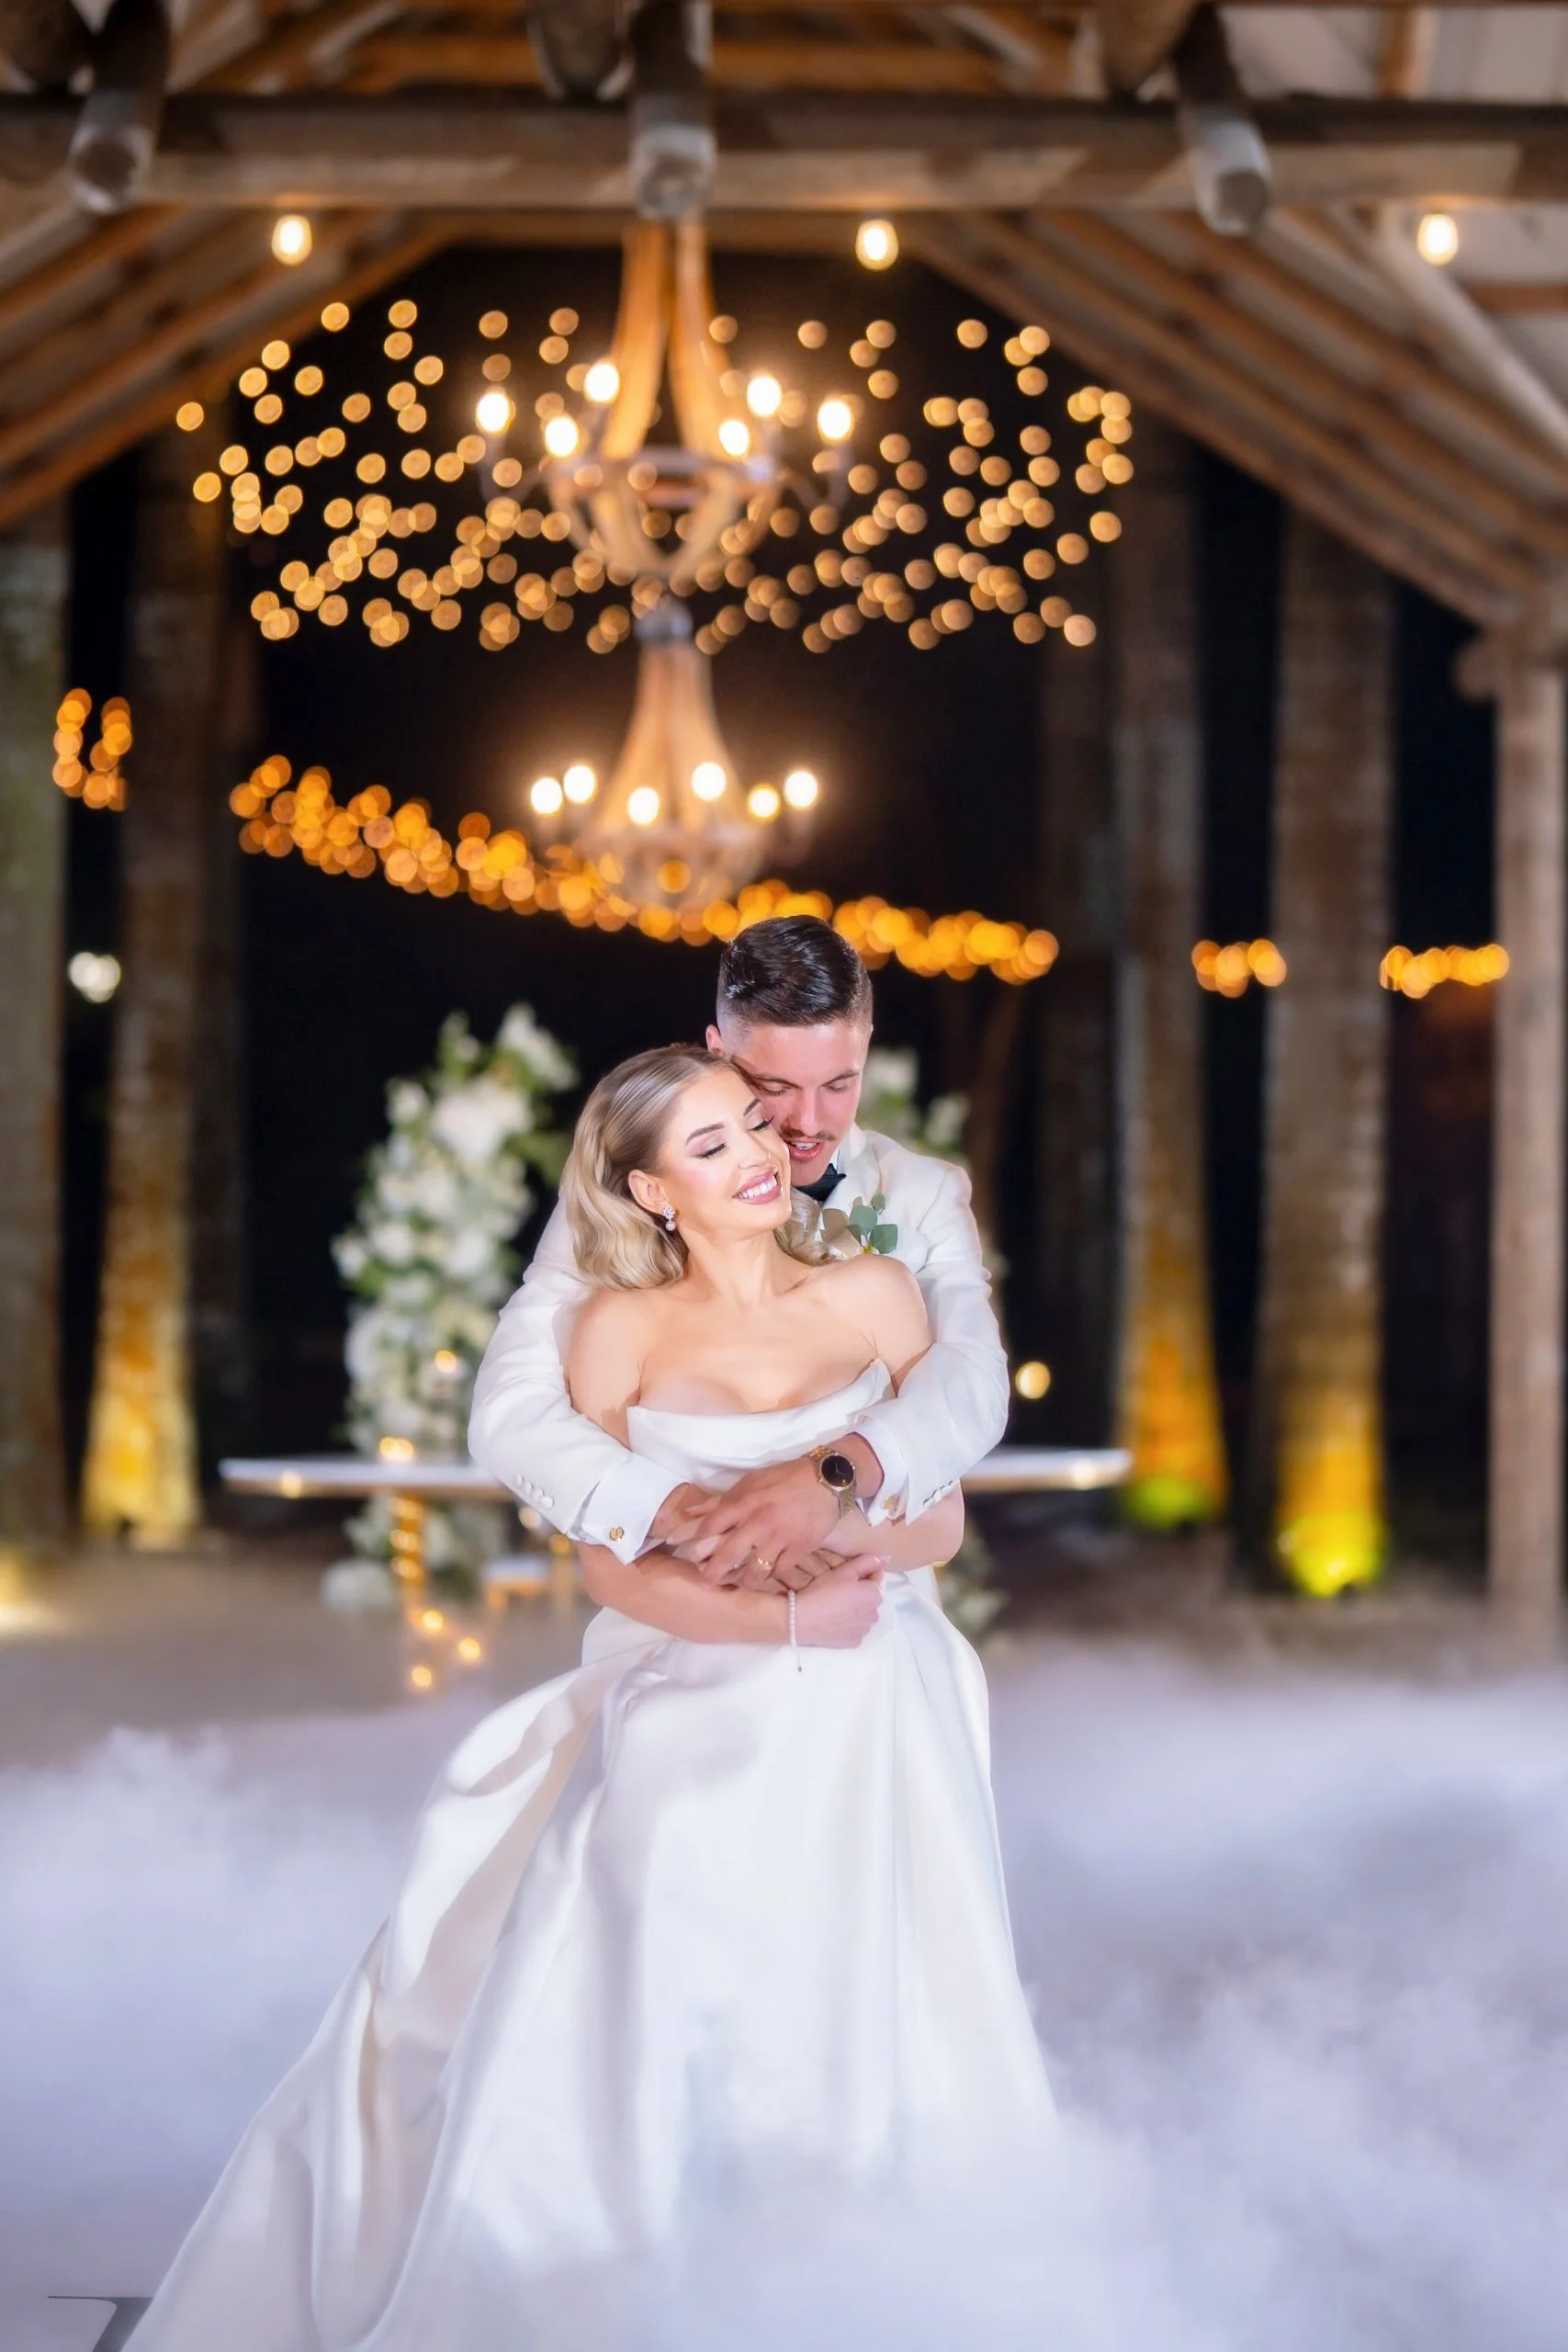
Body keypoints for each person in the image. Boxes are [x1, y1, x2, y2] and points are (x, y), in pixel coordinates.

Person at [128, 1046, 1054, 2351]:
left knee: (868, 1958)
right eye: (712, 1146)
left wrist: (842, 1547)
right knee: (656, 1866)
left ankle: (857, 2268)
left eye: (753, 1126)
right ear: (649, 1192)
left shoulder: (875, 1294)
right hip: (699, 1671)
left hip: (869, 1683)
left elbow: (939, 1517)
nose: (755, 1156)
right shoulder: (614, 1326)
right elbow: (609, 1570)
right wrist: (775, 1610)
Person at [469, 913, 1010, 1589]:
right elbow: (508, 1410)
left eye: (838, 1084)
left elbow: (973, 1382)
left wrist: (832, 1478)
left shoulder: (923, 1194)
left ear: (866, 1045)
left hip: (877, 1597)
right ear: (718, 1051)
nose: (807, 1123)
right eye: (775, 1089)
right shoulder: (626, 1207)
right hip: (691, 1592)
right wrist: (686, 1516)